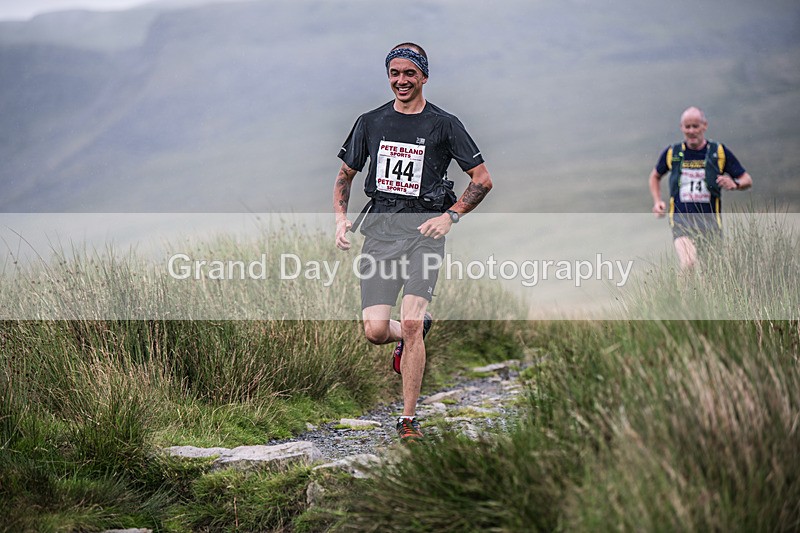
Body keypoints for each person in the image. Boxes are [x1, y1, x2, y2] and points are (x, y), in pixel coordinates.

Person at [332, 43, 493, 443]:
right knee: (374, 330)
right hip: (380, 233)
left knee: (410, 321)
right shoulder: (370, 122)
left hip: (424, 235)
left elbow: (482, 179)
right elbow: (345, 176)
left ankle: (407, 419)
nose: (401, 81)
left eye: (409, 73)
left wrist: (450, 216)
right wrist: (340, 219)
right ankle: (412, 334)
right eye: (395, 73)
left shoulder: (444, 124)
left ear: (424, 76)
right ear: (388, 76)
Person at [648, 106, 752, 270]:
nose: (691, 131)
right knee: (688, 262)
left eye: (695, 126)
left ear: (704, 126)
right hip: (681, 220)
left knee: (709, 271)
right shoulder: (673, 152)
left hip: (710, 222)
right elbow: (655, 176)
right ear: (681, 128)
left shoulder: (718, 152)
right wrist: (657, 201)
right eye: (687, 127)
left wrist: (735, 184)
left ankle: (695, 289)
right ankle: (683, 288)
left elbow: (747, 180)